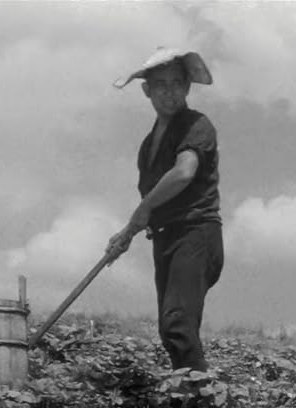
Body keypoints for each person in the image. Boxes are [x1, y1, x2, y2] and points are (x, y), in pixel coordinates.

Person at [107, 47, 224, 377]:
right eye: (161, 85)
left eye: (177, 83)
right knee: (170, 329)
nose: (169, 91)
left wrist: (140, 211)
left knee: (178, 323)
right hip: (166, 238)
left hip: (197, 233)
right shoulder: (148, 145)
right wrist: (128, 233)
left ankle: (200, 405)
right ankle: (186, 399)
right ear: (147, 90)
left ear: (187, 87)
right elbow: (152, 203)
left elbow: (184, 173)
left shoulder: (196, 124)